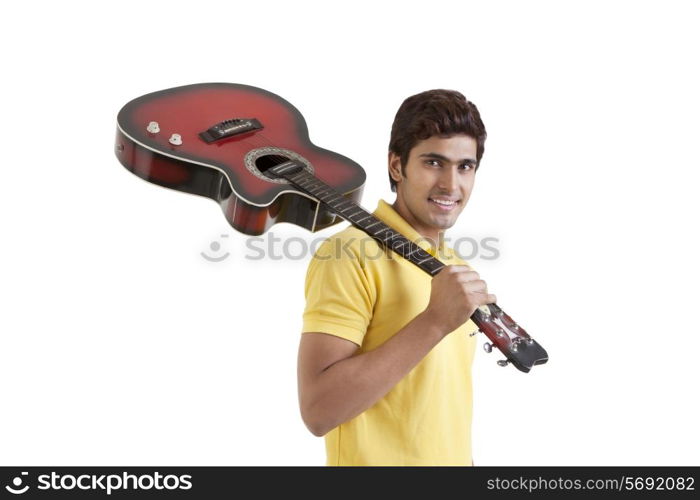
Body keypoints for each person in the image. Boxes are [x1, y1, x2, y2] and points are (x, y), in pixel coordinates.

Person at [297, 89, 496, 466]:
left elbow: (438, 414)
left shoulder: (455, 268)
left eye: (465, 166)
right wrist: (435, 321)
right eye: (434, 162)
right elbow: (318, 410)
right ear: (396, 166)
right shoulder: (349, 253)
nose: (451, 185)